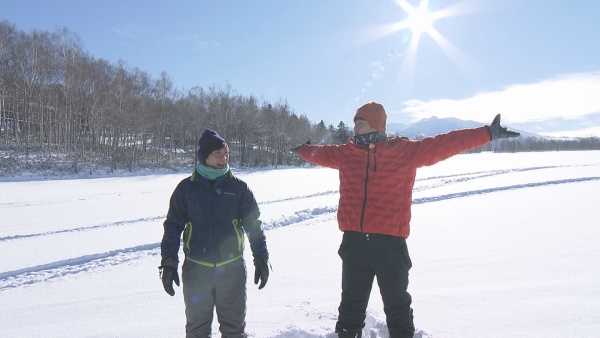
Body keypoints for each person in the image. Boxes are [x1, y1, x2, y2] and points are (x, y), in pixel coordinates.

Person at [293, 102, 519, 338]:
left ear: (375, 125)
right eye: (355, 123)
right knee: (350, 309)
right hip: (354, 245)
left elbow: (447, 143)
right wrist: (302, 150)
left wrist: (487, 133)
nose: (355, 127)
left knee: (398, 308)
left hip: (389, 246)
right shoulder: (347, 153)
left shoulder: (404, 151)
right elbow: (319, 153)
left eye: (360, 122)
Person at [160, 129, 270, 338]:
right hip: (196, 272)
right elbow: (172, 227)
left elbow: (254, 226)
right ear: (204, 156)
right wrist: (168, 262)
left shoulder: (239, 188)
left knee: (234, 331)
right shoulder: (186, 189)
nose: (224, 157)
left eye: (226, 152)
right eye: (217, 153)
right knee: (197, 331)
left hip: (232, 272)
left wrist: (262, 259)